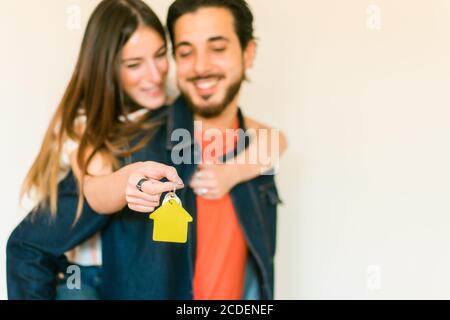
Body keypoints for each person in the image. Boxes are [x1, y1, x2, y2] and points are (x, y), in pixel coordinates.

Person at [7, 0, 286, 300]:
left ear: (249, 52)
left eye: (217, 48)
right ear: (110, 69)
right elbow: (86, 198)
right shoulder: (116, 140)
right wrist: (126, 179)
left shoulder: (253, 147)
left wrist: (238, 169)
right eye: (186, 52)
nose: (154, 76)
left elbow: (277, 140)